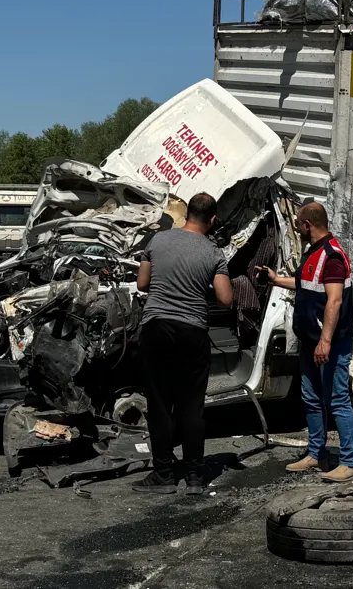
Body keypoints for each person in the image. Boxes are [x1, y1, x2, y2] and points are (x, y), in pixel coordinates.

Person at [133, 192, 233, 495]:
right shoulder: (214, 253)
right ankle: (193, 476)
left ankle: (163, 474)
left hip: (156, 329)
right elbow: (226, 299)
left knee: (160, 405)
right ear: (213, 220)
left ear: (187, 214)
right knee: (192, 408)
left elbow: (142, 284)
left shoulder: (159, 240)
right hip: (192, 333)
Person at [258, 202, 353, 482]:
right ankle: (317, 454)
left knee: (337, 399)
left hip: (332, 343)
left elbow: (335, 300)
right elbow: (305, 283)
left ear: (306, 226)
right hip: (310, 341)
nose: (298, 230)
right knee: (312, 399)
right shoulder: (312, 252)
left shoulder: (333, 256)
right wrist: (276, 280)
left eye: (299, 225)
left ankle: (349, 462)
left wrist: (325, 341)